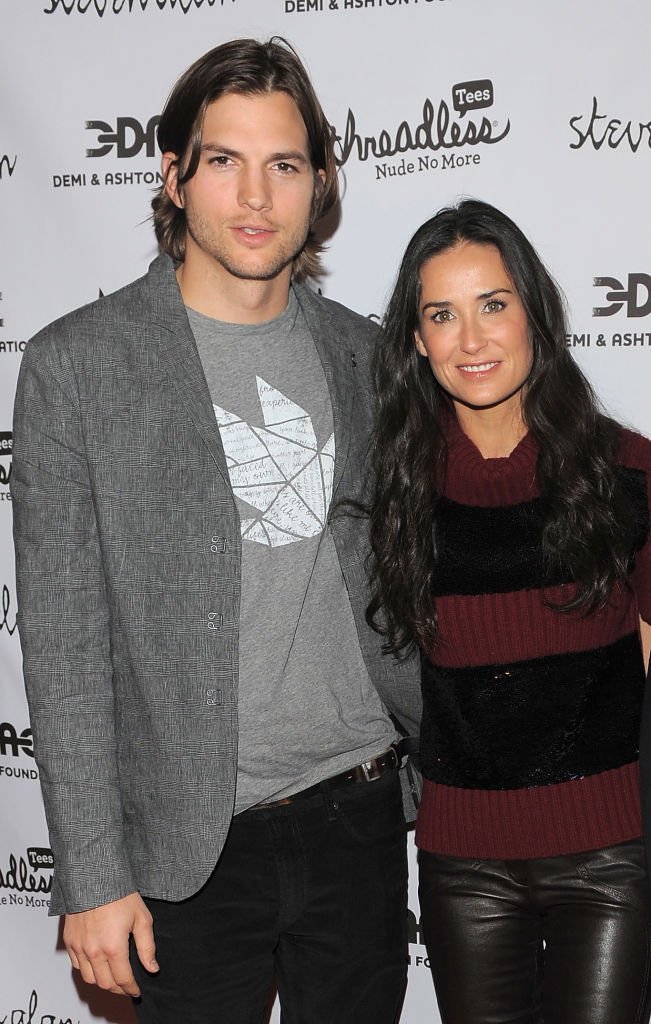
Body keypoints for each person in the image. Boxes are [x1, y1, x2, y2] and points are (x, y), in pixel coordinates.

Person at [11, 38, 421, 1024]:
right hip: (185, 849)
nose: (254, 193)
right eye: (224, 159)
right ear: (173, 175)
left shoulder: (369, 356)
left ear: (320, 183)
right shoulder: (78, 366)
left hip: (360, 820)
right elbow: (64, 651)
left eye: (284, 163)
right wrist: (91, 875)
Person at [366, 198, 651, 1023]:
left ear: (534, 310)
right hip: (464, 865)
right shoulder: (396, 495)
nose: (472, 339)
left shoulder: (624, 473)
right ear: (417, 342)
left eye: (493, 304)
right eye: (441, 316)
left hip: (608, 855)